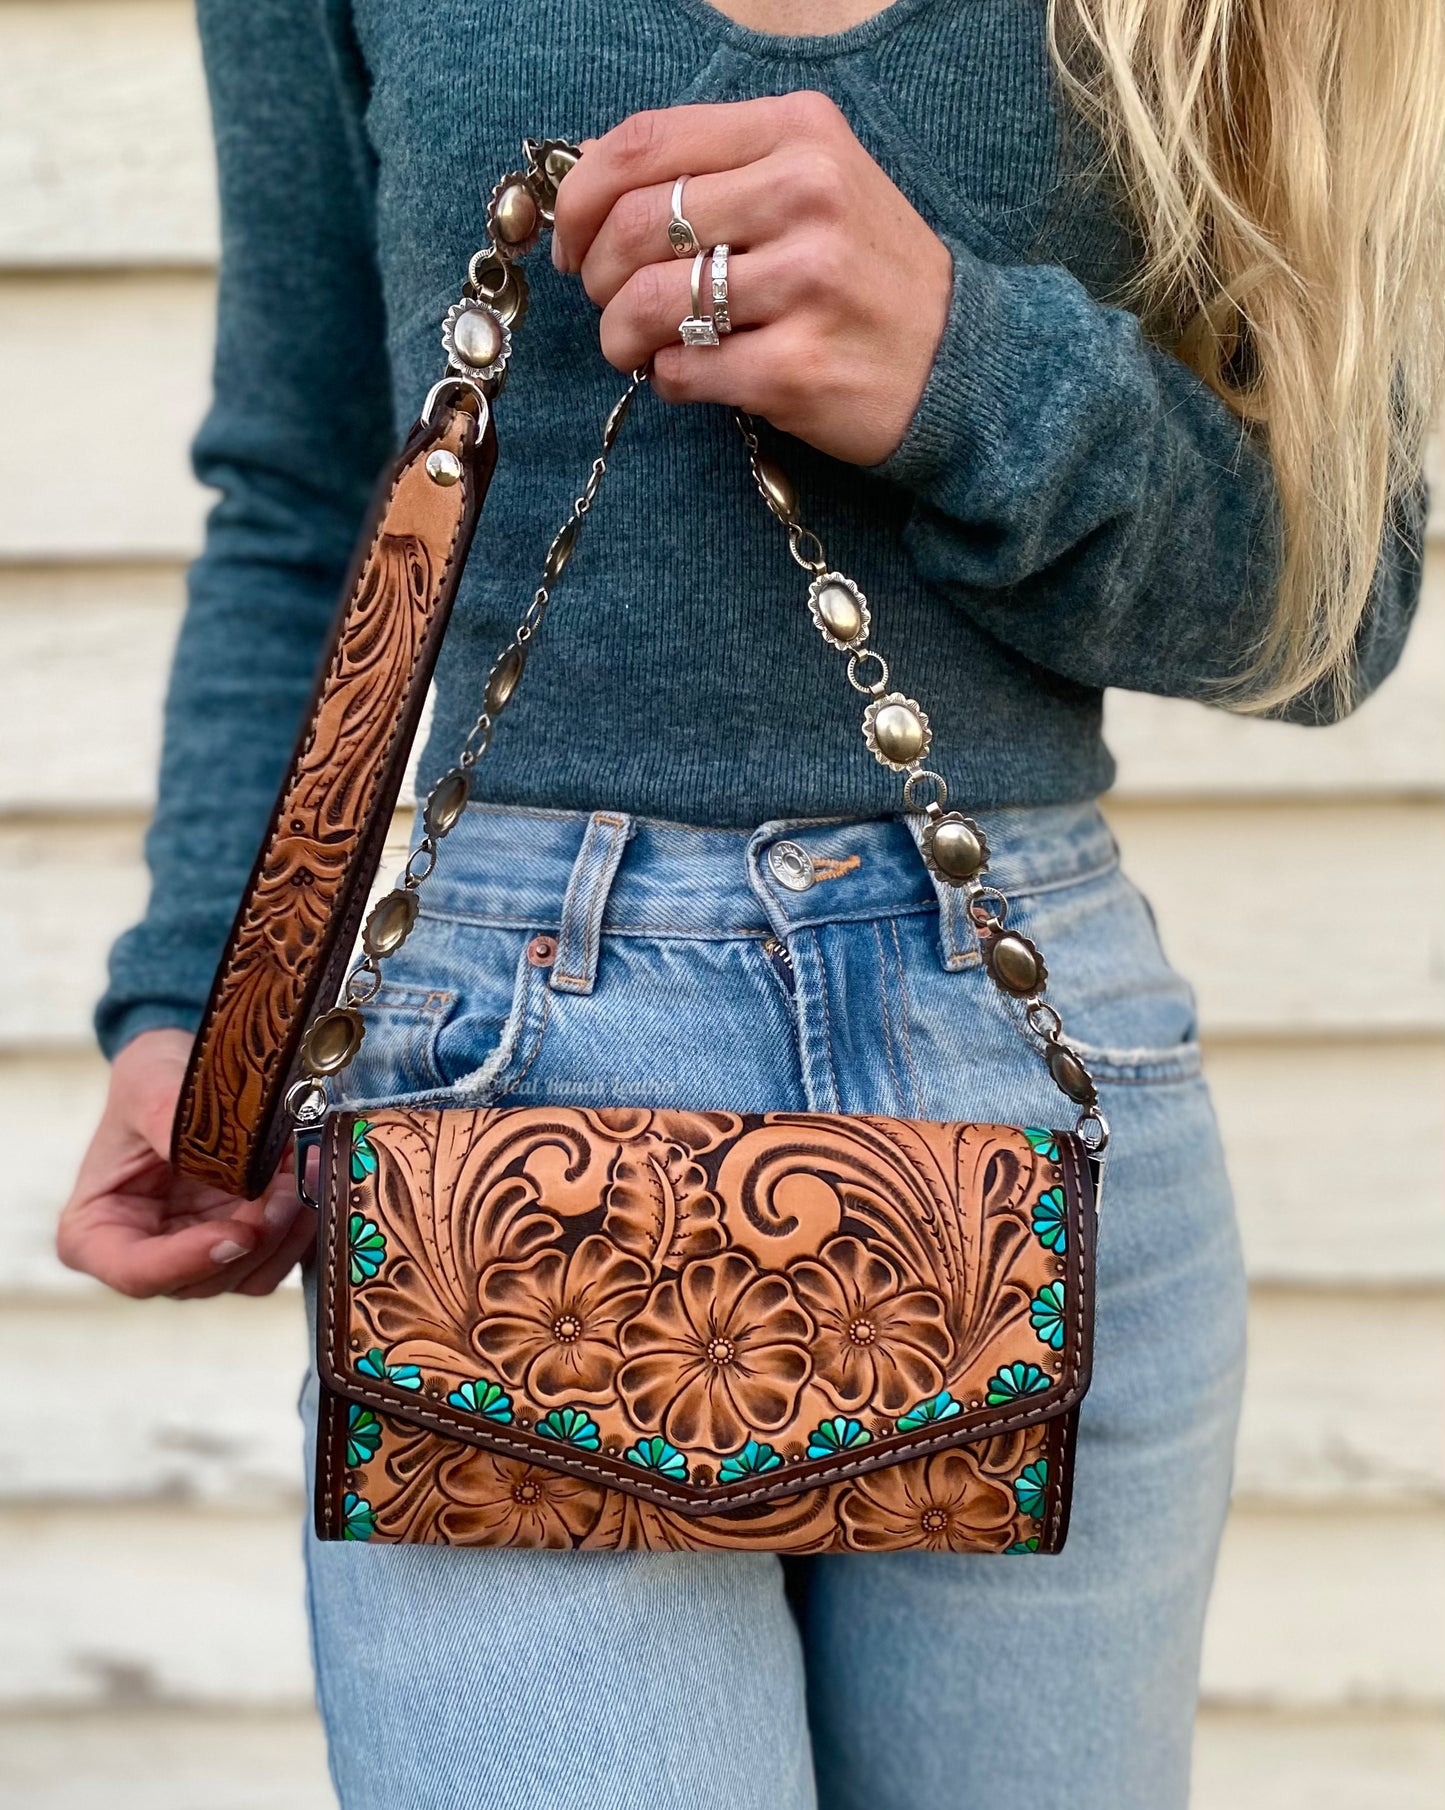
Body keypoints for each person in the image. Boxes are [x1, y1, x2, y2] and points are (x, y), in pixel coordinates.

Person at [57, 1, 1443, 1806]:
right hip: (503, 1101)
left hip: (1021, 1097)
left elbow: (1332, 607)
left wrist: (963, 367)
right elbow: (318, 487)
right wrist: (201, 999)